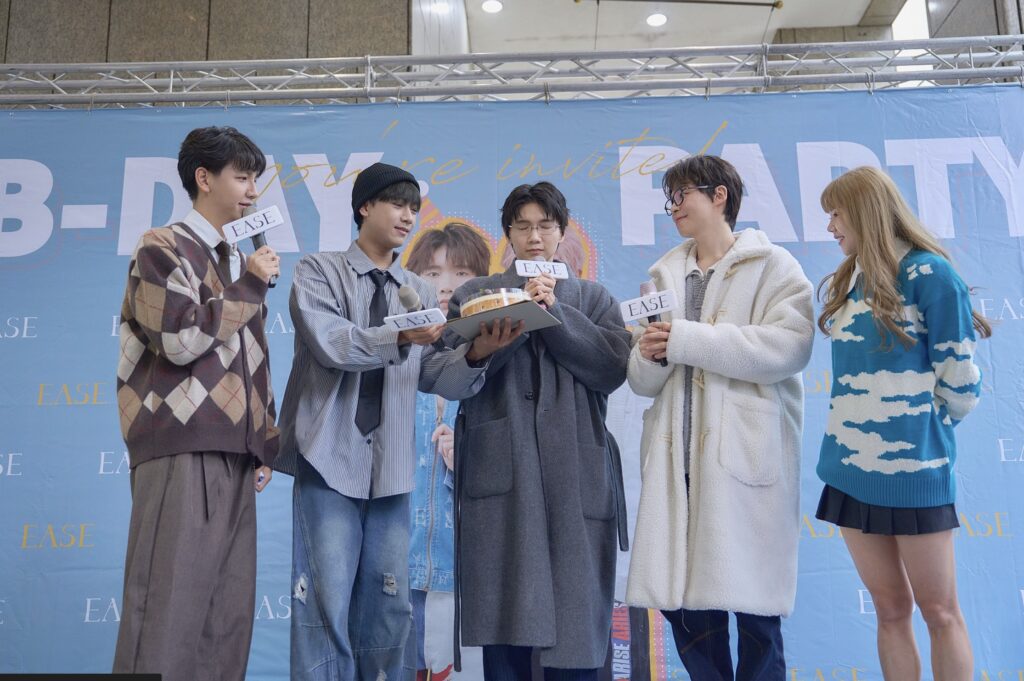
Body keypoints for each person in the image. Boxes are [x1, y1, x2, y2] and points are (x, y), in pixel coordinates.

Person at [274, 163, 486, 681]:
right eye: (397, 203)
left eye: (414, 207)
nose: (408, 216)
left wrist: (479, 353)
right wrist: (400, 337)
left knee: (390, 609)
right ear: (364, 206)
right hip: (327, 459)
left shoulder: (417, 289)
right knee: (324, 604)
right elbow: (333, 343)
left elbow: (432, 372)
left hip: (391, 470)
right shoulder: (317, 271)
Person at [626, 155, 814, 681]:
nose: (673, 207)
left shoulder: (774, 266)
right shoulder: (663, 275)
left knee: (758, 623)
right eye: (669, 199)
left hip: (743, 466)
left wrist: (684, 340)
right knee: (690, 620)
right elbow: (641, 381)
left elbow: (789, 347)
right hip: (678, 471)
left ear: (719, 196)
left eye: (681, 195)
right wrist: (652, 354)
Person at [441, 181, 632, 681]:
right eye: (522, 226)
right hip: (504, 479)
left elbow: (613, 369)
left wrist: (554, 314)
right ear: (507, 233)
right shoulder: (475, 296)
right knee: (507, 629)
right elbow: (443, 376)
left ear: (563, 232)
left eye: (546, 226)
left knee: (576, 634)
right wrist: (488, 346)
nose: (534, 237)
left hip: (576, 478)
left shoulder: (592, 298)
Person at [113, 126, 281, 681]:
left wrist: (264, 437)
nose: (252, 191)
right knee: (166, 612)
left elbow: (252, 355)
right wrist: (250, 285)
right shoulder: (160, 246)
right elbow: (180, 339)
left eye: (255, 179)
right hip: (181, 446)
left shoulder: (236, 261)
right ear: (203, 178)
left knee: (224, 621)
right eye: (242, 177)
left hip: (235, 451)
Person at [813, 166, 990, 681]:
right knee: (890, 611)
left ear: (864, 212)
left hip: (915, 472)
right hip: (849, 470)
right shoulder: (852, 278)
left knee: (940, 612)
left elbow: (960, 382)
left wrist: (921, 432)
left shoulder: (929, 273)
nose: (830, 226)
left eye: (836, 214)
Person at [404, 222, 492, 681]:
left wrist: (470, 459)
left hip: (467, 572)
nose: (445, 286)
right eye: (432, 273)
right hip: (396, 565)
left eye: (460, 273)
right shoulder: (392, 357)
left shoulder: (496, 360)